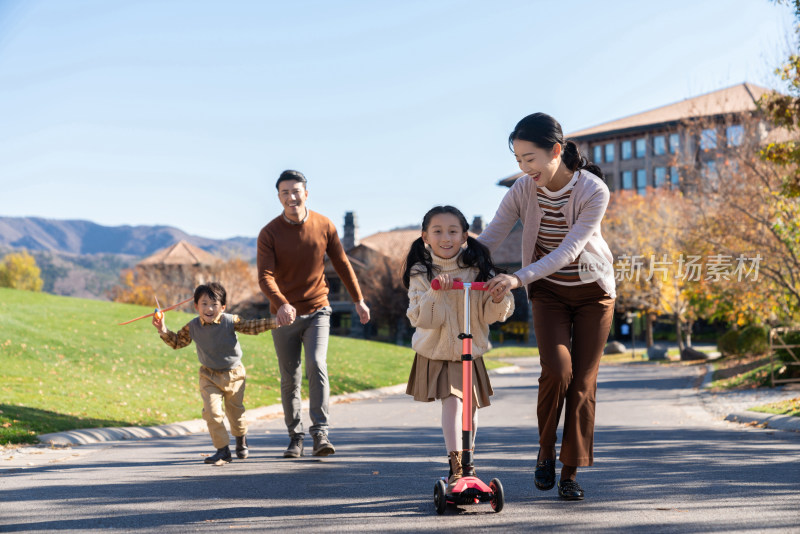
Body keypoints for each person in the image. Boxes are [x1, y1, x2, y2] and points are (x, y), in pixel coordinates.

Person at [479, 112, 616, 501]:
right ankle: (545, 450)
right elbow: (491, 236)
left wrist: (516, 277)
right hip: (549, 293)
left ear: (556, 150)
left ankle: (570, 472)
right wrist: (444, 256)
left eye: (531, 159)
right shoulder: (523, 189)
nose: (525, 169)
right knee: (557, 370)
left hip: (593, 293)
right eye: (519, 161)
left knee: (583, 383)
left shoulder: (593, 190)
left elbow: (569, 250)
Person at [257, 169, 370, 458]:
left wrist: (358, 300)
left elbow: (343, 264)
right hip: (283, 316)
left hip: (318, 308)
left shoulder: (324, 225)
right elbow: (265, 276)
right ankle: (295, 437)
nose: (291, 197)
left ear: (306, 193)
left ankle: (320, 433)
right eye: (285, 193)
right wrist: (281, 303)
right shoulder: (269, 233)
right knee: (289, 377)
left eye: (296, 191)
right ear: (279, 197)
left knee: (316, 364)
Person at [402, 205, 514, 488]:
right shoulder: (421, 271)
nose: (446, 237)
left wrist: (498, 296)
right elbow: (424, 318)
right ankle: (456, 467)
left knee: (470, 410)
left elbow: (490, 314)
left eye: (453, 231)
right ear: (425, 236)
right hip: (438, 350)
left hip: (470, 351)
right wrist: (435, 290)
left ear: (464, 235)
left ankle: (468, 463)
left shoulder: (476, 268)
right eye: (437, 231)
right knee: (453, 403)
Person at [153, 282, 277, 464]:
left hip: (234, 374)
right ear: (196, 306)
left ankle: (241, 439)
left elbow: (251, 327)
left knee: (236, 413)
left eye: (214, 304)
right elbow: (177, 342)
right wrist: (162, 329)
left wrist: (276, 322)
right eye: (204, 304)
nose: (209, 308)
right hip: (209, 375)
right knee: (211, 413)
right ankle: (222, 450)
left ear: (223, 307)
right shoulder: (192, 326)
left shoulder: (230, 321)